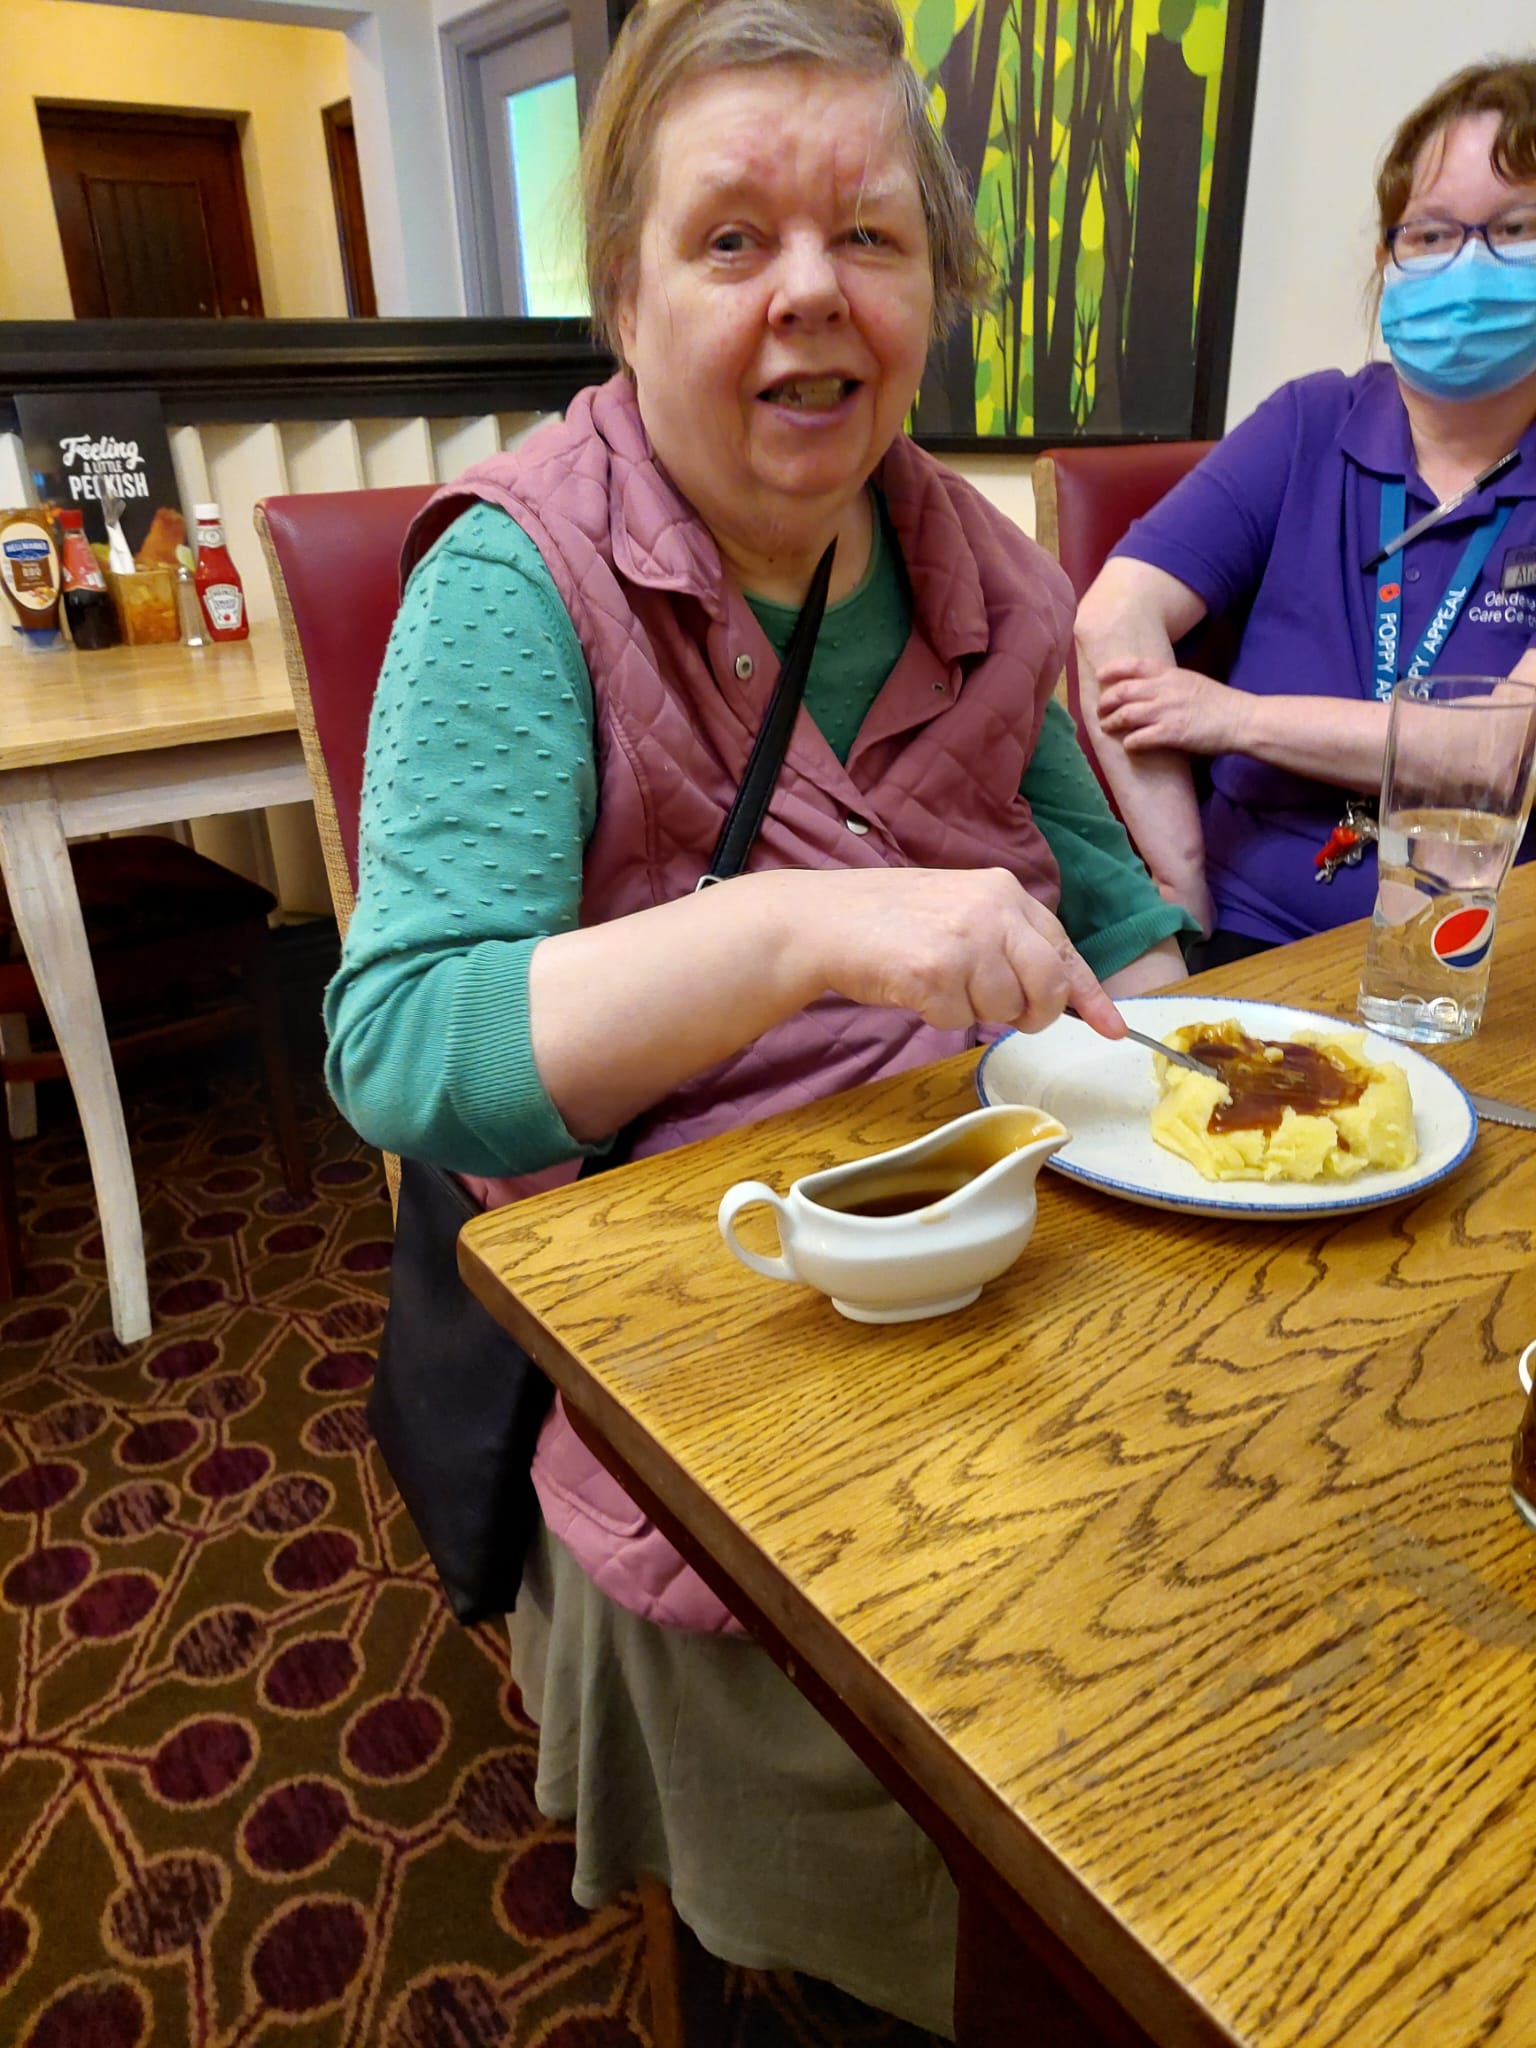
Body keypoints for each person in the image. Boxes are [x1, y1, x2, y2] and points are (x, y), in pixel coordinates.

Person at [326, 0, 1192, 2031]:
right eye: (731, 239)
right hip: (718, 1360)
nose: (811, 289)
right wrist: (803, 930)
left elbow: (1116, 915)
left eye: (868, 235)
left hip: (1024, 1268)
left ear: (932, 289)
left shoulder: (981, 569)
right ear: (624, 293)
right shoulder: (520, 577)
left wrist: (1199, 1143)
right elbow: (404, 1040)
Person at [1075, 58, 1536, 969]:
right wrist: (1182, 893)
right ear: (1388, 261)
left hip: (1470, 957)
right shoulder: (1308, 423)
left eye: (1516, 229)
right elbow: (1111, 620)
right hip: (1245, 928)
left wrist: (1232, 718)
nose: (1469, 264)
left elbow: (1498, 751)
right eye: (1432, 233)